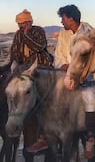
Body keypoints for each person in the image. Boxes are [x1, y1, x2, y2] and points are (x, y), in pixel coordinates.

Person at [28, 5, 95, 159]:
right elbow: (59, 55)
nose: (61, 21)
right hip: (64, 73)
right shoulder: (63, 33)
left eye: (63, 18)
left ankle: (90, 136)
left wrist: (76, 69)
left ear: (71, 19)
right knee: (45, 95)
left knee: (89, 97)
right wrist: (63, 65)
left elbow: (91, 58)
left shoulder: (88, 32)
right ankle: (44, 135)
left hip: (85, 76)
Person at [11, 9, 53, 154]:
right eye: (18, 24)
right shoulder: (18, 34)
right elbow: (14, 52)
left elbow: (38, 47)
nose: (20, 26)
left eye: (22, 23)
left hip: (40, 70)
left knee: (43, 99)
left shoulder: (38, 31)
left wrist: (26, 35)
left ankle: (45, 136)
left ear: (29, 22)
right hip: (23, 69)